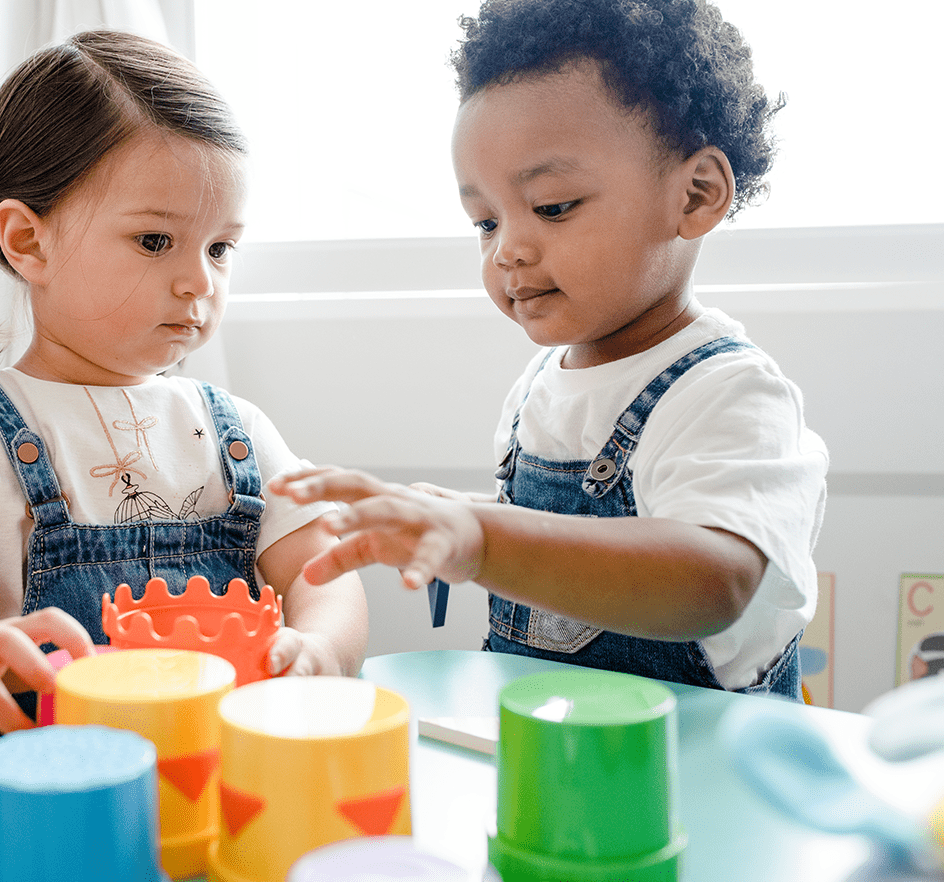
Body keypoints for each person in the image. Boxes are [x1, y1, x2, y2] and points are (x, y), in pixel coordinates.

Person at [0, 30, 367, 777]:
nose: (200, 281)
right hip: (59, 808)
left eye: (221, 248)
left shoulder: (237, 432)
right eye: (156, 241)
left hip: (230, 790)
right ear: (29, 241)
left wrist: (321, 648)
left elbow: (325, 571)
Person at [271, 0, 826, 701]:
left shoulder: (730, 395)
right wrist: (450, 517)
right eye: (484, 221)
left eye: (553, 206)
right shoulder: (541, 385)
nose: (509, 249)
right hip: (558, 761)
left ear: (695, 194)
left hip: (696, 773)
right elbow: (565, 539)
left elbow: (714, 579)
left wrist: (484, 538)